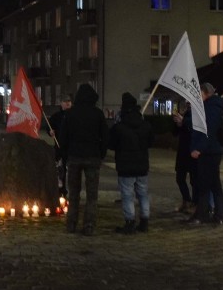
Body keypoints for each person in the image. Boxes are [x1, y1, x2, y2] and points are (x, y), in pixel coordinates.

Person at [59, 83, 109, 236]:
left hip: (74, 157)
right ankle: (88, 225)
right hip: (92, 157)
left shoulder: (70, 114)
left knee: (74, 193)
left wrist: (65, 155)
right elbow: (105, 136)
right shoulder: (98, 114)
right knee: (91, 195)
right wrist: (101, 153)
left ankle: (71, 224)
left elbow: (63, 137)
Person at [108, 92, 153, 234]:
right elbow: (151, 142)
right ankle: (144, 221)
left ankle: (130, 222)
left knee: (127, 195)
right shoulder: (145, 125)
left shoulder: (119, 127)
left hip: (125, 166)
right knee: (143, 193)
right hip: (142, 165)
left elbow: (111, 144)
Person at [189, 82, 223, 226]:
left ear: (205, 93)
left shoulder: (212, 108)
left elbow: (208, 131)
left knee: (204, 185)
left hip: (209, 152)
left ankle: (202, 215)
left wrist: (199, 148)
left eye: (200, 93)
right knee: (214, 184)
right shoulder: (214, 106)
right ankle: (218, 215)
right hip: (213, 150)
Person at [171, 100, 197, 213]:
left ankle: (195, 204)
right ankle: (186, 200)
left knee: (194, 180)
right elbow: (175, 133)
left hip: (193, 150)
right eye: (187, 102)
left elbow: (195, 128)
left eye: (190, 102)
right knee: (180, 177)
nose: (188, 104)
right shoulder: (185, 113)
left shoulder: (197, 115)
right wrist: (177, 123)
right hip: (182, 151)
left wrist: (184, 122)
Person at [48, 93, 72, 196]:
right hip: (59, 147)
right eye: (65, 102)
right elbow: (49, 127)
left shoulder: (73, 116)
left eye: (69, 102)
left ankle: (71, 190)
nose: (67, 104)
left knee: (71, 171)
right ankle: (61, 189)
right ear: (61, 103)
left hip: (71, 148)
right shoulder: (56, 117)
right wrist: (50, 132)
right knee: (60, 170)